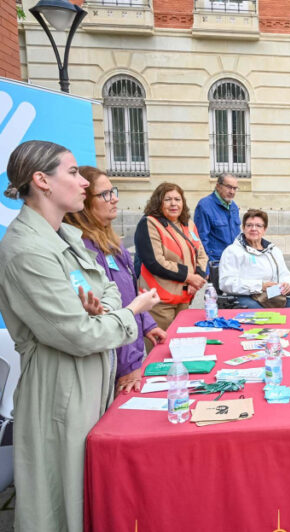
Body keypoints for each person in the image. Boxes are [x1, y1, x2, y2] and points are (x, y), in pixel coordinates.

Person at [0, 141, 159, 532]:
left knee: (89, 493)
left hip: (92, 378)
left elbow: (105, 287)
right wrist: (128, 313)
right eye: (72, 173)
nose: (83, 183)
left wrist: (104, 313)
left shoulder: (66, 237)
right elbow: (79, 334)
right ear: (42, 181)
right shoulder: (26, 249)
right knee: (62, 500)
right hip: (60, 388)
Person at [64, 166, 167, 394]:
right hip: (114, 363)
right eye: (105, 194)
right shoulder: (81, 249)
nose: (115, 199)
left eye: (113, 191)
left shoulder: (112, 241)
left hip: (130, 348)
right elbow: (104, 315)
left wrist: (147, 324)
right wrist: (128, 365)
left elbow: (129, 291)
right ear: (84, 201)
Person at [135, 182, 208, 331]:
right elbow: (155, 262)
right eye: (168, 199)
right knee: (162, 348)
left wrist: (197, 277)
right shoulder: (149, 223)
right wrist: (189, 277)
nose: (173, 204)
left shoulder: (188, 224)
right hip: (159, 301)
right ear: (158, 202)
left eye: (177, 199)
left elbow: (201, 253)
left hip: (184, 298)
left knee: (183, 344)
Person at [218, 209, 290, 309]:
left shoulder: (273, 251)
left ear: (264, 229)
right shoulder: (232, 251)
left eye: (258, 226)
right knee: (263, 317)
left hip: (270, 295)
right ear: (243, 228)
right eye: (249, 225)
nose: (253, 228)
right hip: (244, 296)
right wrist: (259, 286)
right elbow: (226, 283)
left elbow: (284, 274)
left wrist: (288, 286)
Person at [193, 172, 241, 264]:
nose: (232, 191)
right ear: (218, 186)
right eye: (228, 187)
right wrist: (207, 265)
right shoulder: (204, 205)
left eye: (235, 188)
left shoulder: (233, 206)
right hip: (216, 263)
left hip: (233, 261)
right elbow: (201, 239)